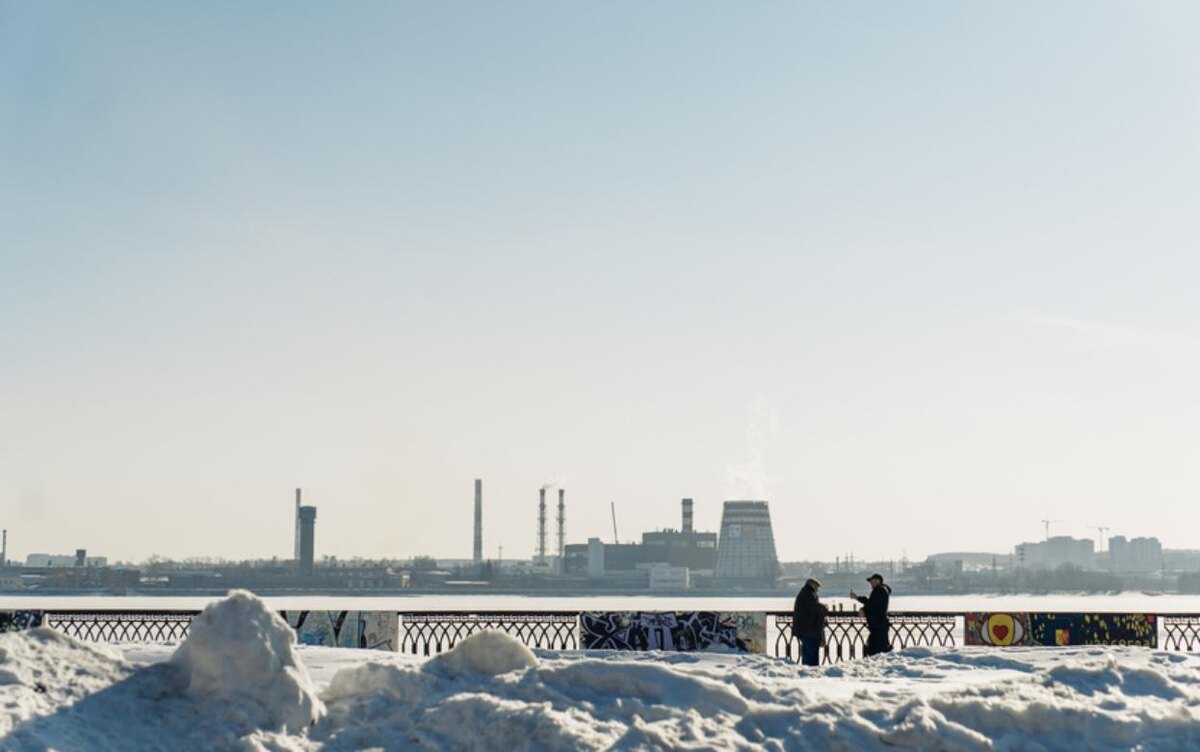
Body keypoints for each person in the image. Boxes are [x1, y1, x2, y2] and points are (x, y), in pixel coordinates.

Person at [850, 573, 892, 657]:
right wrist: (864, 609)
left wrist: (857, 598)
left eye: (872, 581)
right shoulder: (882, 590)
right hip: (879, 623)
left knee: (877, 649)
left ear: (878, 581)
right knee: (877, 647)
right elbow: (875, 605)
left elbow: (872, 604)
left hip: (878, 624)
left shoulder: (879, 590)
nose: (871, 584)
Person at [792, 578, 828, 666]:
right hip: (808, 630)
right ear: (812, 585)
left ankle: (808, 671)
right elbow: (813, 607)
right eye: (817, 586)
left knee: (809, 653)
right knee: (811, 655)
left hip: (807, 630)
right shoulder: (807, 594)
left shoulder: (806, 593)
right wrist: (823, 607)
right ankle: (810, 672)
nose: (817, 589)